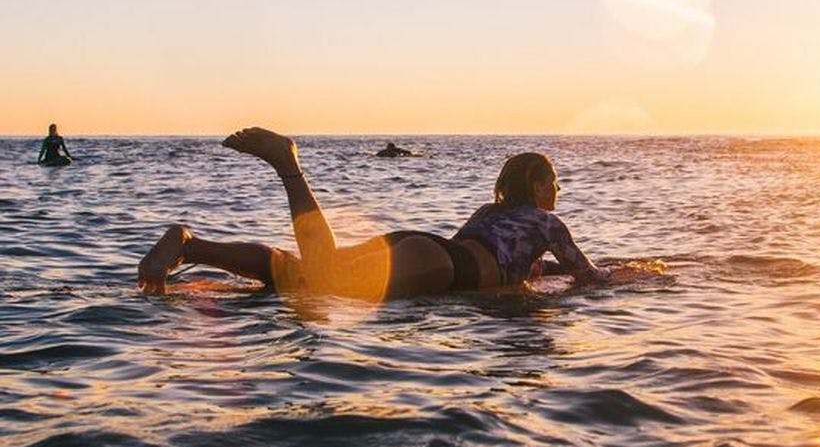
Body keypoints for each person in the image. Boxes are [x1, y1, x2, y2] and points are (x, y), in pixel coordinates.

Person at [137, 127, 618, 298]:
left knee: (302, 275)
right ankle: (288, 166)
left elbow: (499, 259)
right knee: (322, 278)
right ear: (537, 186)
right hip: (443, 268)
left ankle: (190, 245)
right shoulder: (548, 223)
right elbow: (588, 277)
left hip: (426, 247)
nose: (557, 191)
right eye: (553, 183)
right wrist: (638, 277)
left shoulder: (490, 215)